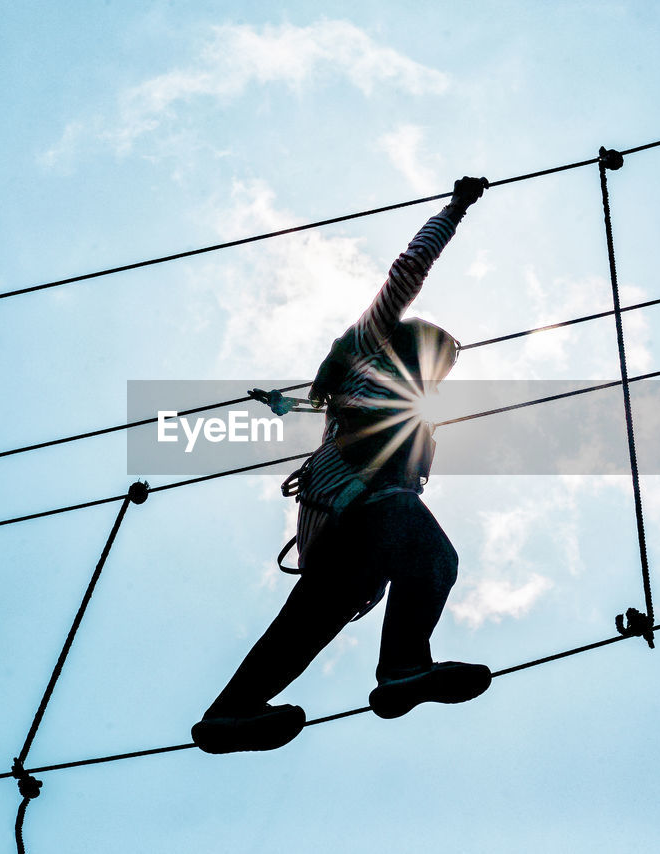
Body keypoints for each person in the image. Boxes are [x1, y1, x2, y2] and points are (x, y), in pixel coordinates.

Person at [192, 176, 492, 755]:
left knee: (311, 620)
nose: (437, 377)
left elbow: (324, 407)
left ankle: (232, 711)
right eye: (438, 362)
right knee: (432, 558)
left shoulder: (379, 390)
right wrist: (455, 209)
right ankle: (403, 665)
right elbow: (408, 269)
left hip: (339, 524)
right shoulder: (372, 343)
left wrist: (288, 402)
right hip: (360, 503)